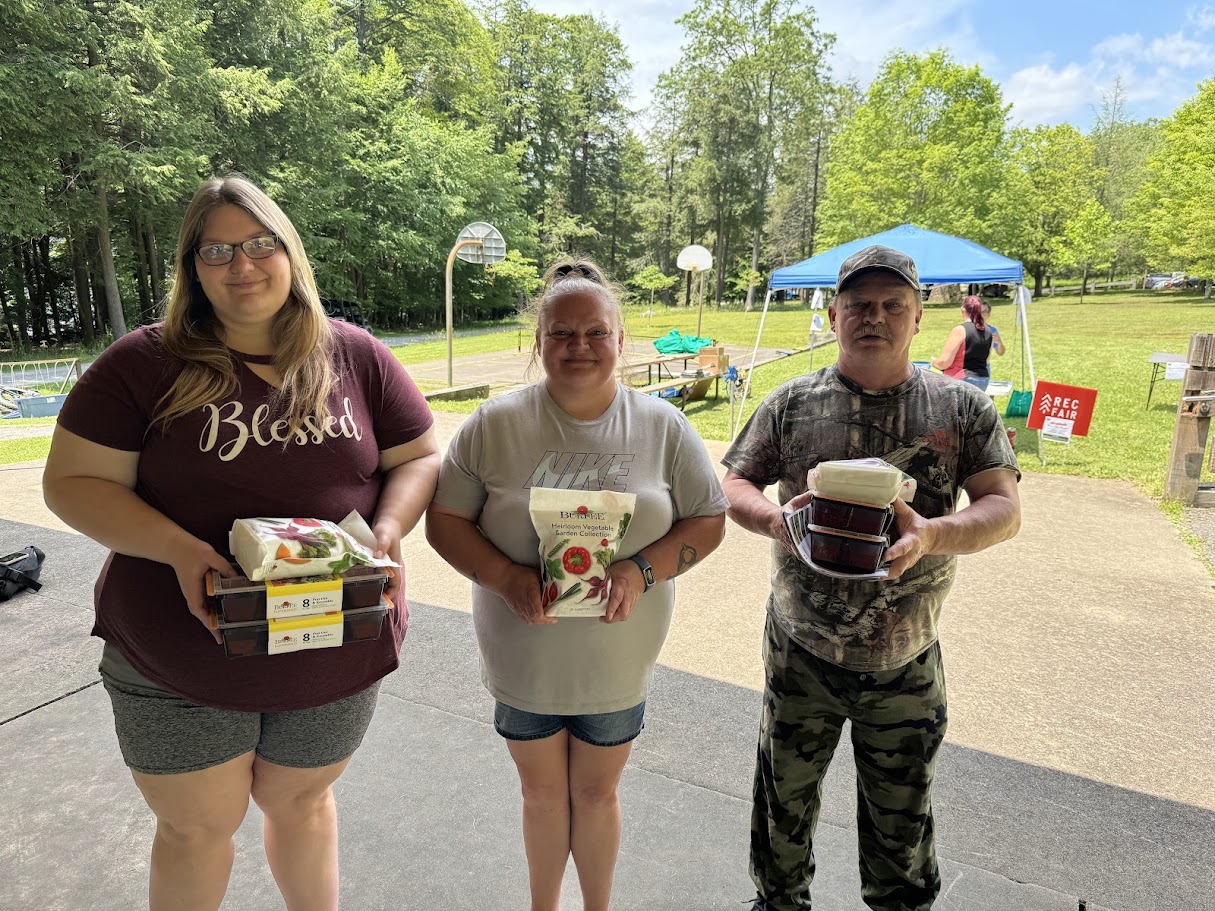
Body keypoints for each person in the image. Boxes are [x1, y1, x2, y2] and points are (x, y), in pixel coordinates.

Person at [42, 175, 439, 911]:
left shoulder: (354, 355)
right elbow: (72, 482)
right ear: (192, 268)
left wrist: (386, 533)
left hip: (332, 636)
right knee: (196, 829)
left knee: (304, 804)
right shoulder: (142, 363)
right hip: (180, 649)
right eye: (216, 250)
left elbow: (416, 456)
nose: (242, 264)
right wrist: (179, 548)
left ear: (289, 251)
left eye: (260, 244)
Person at [721, 246, 1021, 911]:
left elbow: (1002, 508)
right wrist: (775, 520)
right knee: (782, 798)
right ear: (832, 315)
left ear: (917, 319)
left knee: (901, 811)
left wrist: (933, 533)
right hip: (800, 648)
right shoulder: (792, 403)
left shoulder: (960, 410)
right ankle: (777, 901)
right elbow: (734, 480)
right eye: (858, 304)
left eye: (892, 306)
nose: (873, 317)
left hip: (905, 656)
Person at [426, 258, 728, 911]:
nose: (578, 346)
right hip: (523, 652)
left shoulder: (662, 427)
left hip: (614, 659)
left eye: (595, 332)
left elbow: (708, 521)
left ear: (621, 340)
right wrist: (506, 577)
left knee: (597, 795)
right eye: (561, 333)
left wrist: (640, 570)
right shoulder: (494, 424)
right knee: (538, 794)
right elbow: (444, 520)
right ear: (538, 343)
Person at [930, 295, 995, 390]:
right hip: (982, 380)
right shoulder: (988, 331)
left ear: (963, 309)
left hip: (962, 379)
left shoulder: (960, 330)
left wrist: (934, 362)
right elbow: (986, 360)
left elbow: (945, 362)